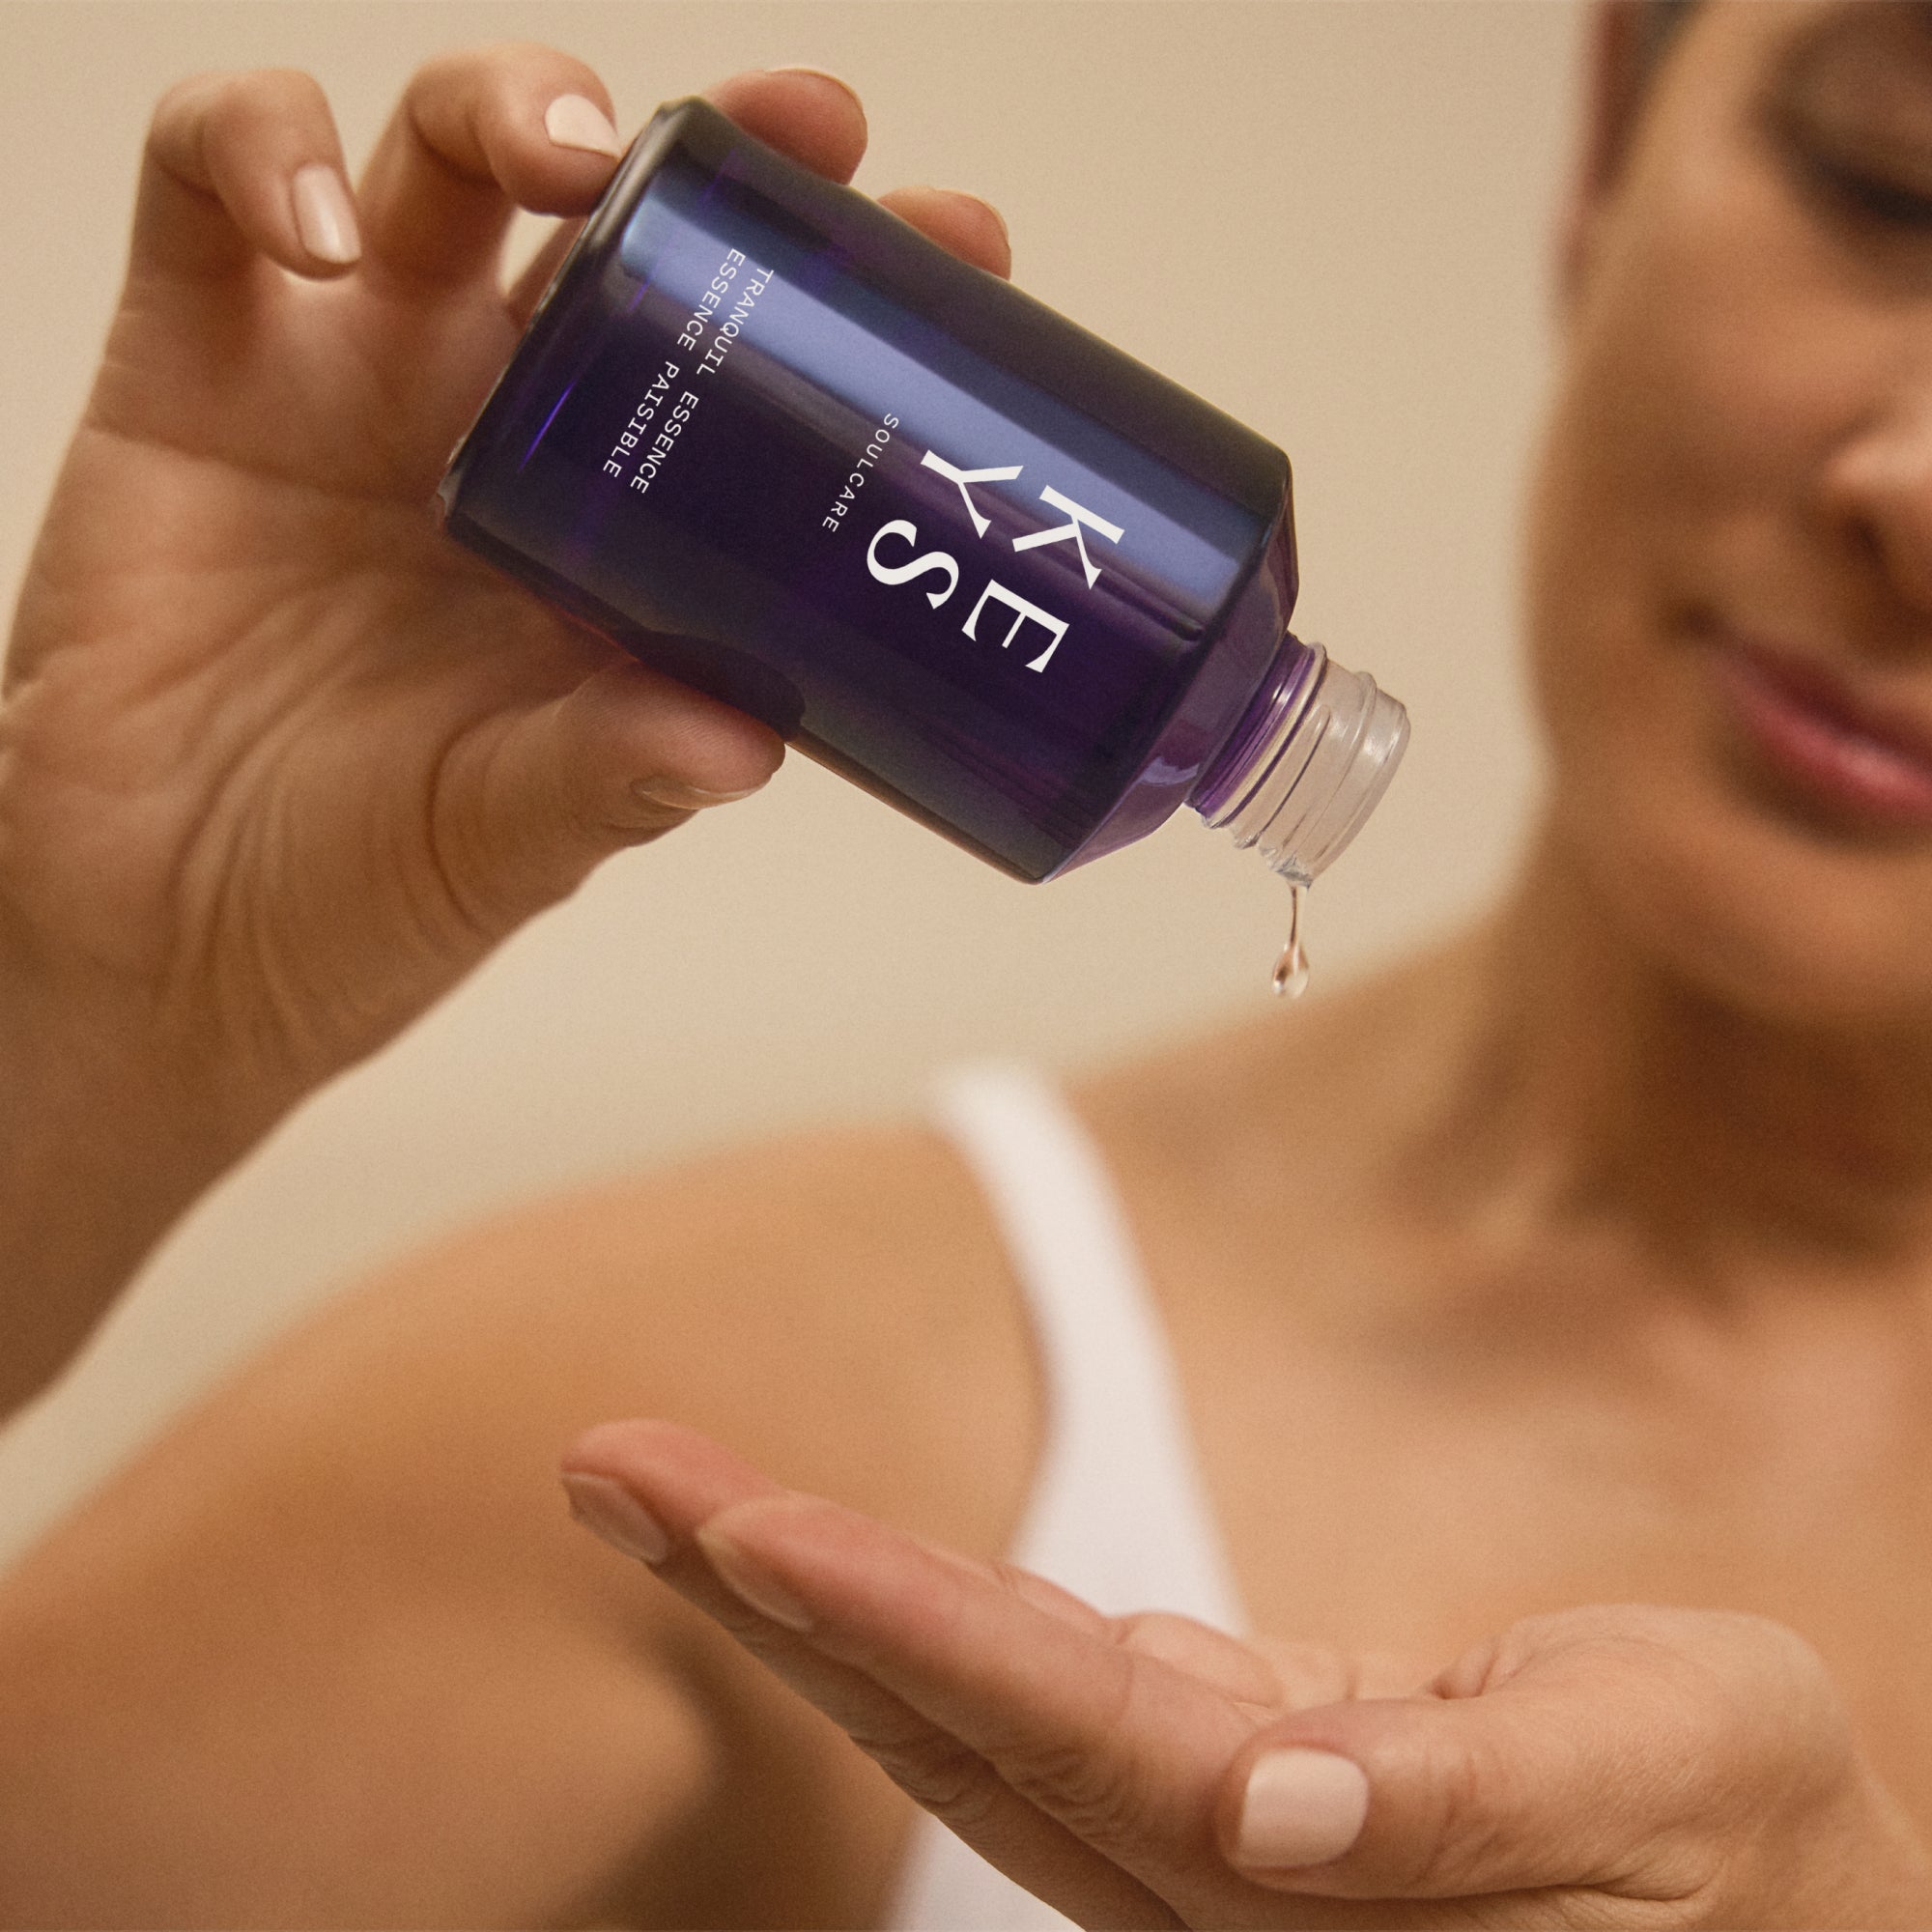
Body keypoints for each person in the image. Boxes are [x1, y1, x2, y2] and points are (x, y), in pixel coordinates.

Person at [5, 2, 1932, 1925]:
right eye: (1888, 179)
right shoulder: (738, 1420)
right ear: (1610, 130)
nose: (1913, 496)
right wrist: (73, 1034)